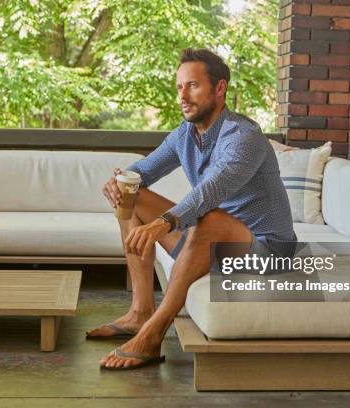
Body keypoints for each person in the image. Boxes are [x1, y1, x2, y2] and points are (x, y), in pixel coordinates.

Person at [88, 48, 296, 370]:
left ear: (220, 88)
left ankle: (152, 336)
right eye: (179, 87)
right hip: (215, 244)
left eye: (193, 86)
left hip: (265, 249)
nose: (183, 95)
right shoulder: (184, 135)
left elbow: (211, 192)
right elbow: (145, 169)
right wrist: (121, 181)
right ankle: (140, 311)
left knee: (209, 218)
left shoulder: (244, 138)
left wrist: (163, 224)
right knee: (135, 194)